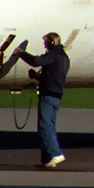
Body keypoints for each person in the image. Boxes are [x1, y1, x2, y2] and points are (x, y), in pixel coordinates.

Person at [18, 32, 70, 168]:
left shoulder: (54, 54)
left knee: (44, 126)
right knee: (49, 126)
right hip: (56, 95)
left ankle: (55, 154)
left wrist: (21, 53)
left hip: (48, 95)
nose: (44, 44)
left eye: (46, 42)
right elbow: (53, 76)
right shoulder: (63, 56)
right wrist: (37, 77)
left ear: (52, 42)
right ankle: (47, 159)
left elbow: (36, 61)